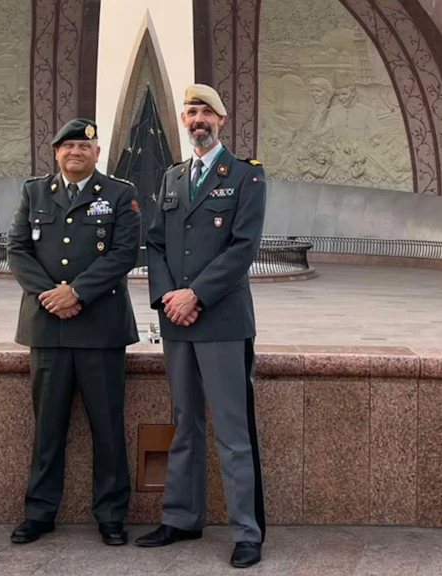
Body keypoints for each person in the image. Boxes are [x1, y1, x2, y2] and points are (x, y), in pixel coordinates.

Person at [137, 84, 267, 569]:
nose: (197, 119)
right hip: (178, 323)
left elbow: (242, 247)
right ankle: (181, 518)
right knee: (183, 425)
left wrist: (196, 295)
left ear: (222, 119)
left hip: (222, 320)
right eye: (190, 111)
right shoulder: (174, 178)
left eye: (205, 112)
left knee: (233, 432)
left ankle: (246, 533)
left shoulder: (245, 177)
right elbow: (155, 244)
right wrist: (169, 297)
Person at [6, 118, 142, 546]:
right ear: (56, 153)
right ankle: (40, 512)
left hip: (100, 329)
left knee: (107, 426)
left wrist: (78, 293)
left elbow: (124, 253)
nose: (75, 153)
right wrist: (52, 295)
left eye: (84, 147)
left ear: (97, 153)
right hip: (48, 327)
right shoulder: (34, 193)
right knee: (47, 428)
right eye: (66, 147)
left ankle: (111, 514)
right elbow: (17, 249)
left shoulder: (121, 194)